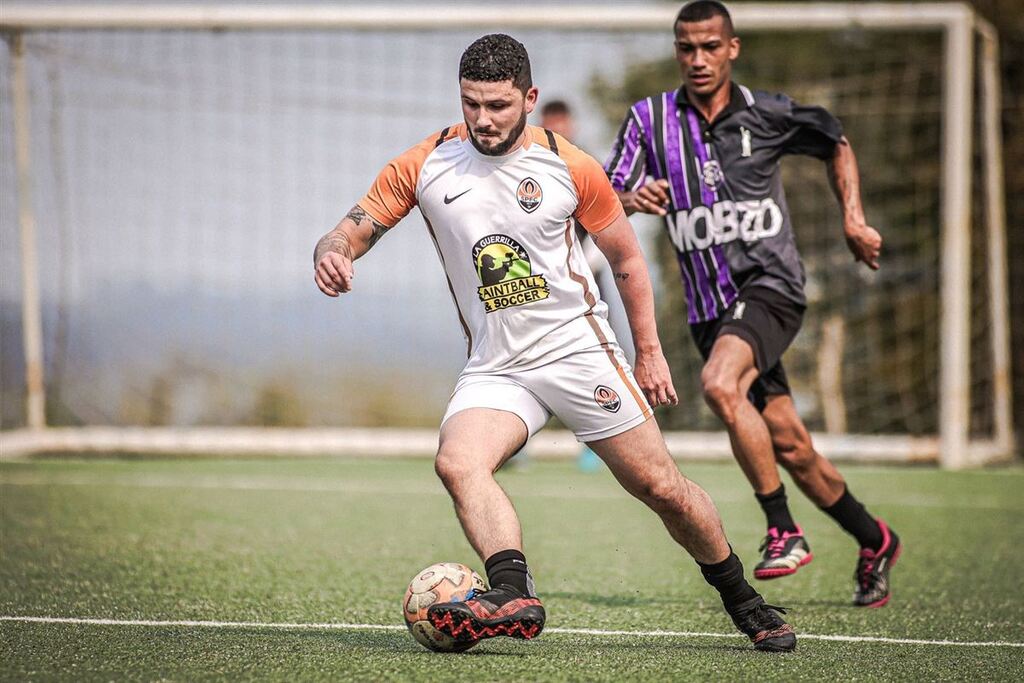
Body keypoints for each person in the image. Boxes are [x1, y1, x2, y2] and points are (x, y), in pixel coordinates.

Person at [314, 33, 796, 651]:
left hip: (578, 351)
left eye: (499, 106)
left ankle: (742, 598)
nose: (484, 120)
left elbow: (625, 258)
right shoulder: (425, 163)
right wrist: (333, 252)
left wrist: (648, 352)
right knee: (457, 462)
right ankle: (512, 590)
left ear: (530, 98)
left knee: (662, 490)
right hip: (496, 365)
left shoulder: (569, 165)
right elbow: (353, 226)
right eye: (471, 104)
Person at [604, 0, 901, 608]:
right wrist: (635, 196)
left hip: (771, 288)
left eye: (710, 46)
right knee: (788, 441)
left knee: (718, 384)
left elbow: (834, 140)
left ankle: (782, 530)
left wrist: (853, 219)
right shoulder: (649, 118)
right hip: (709, 309)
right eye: (687, 48)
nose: (698, 59)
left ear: (731, 48)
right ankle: (875, 538)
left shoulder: (766, 112)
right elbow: (605, 189)